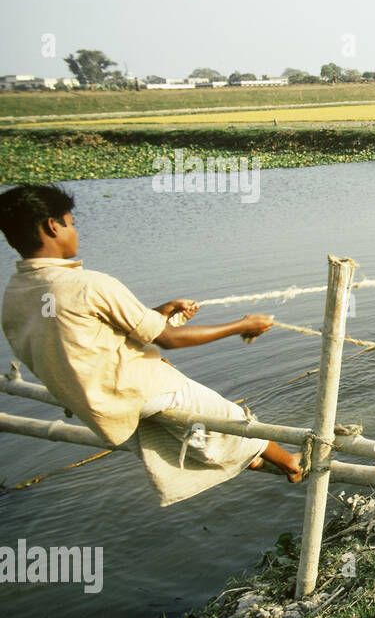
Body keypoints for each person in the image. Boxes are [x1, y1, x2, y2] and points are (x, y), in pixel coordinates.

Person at [0, 183, 304, 507]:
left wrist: (159, 313)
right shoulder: (88, 284)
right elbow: (169, 340)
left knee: (188, 426)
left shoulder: (15, 294)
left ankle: (252, 460)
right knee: (227, 416)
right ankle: (292, 464)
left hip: (93, 403)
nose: (74, 231)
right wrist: (243, 324)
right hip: (136, 389)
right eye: (71, 223)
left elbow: (82, 338)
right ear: (52, 225)